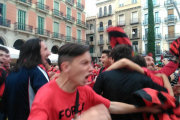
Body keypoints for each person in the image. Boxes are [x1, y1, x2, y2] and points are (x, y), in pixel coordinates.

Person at [28, 43, 160, 120]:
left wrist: (143, 108)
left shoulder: (83, 90)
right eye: (84, 63)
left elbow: (112, 106)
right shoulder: (45, 96)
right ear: (66, 67)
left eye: (90, 63)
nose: (91, 69)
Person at [93, 44, 169, 120]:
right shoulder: (142, 77)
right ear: (131, 60)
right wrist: (164, 77)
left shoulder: (103, 76)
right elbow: (165, 95)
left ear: (112, 59)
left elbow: (93, 99)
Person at [1, 38, 50, 120]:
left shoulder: (11, 72)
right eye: (45, 49)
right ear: (35, 52)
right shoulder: (37, 71)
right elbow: (49, 102)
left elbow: (5, 105)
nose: (49, 53)